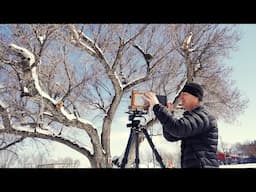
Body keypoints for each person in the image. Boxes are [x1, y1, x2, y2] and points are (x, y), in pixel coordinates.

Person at [144, 82, 219, 168]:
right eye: (181, 94)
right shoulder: (193, 118)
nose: (181, 97)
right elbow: (170, 136)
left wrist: (157, 106)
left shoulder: (203, 116)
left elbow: (178, 129)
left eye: (185, 94)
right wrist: (169, 114)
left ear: (196, 96)